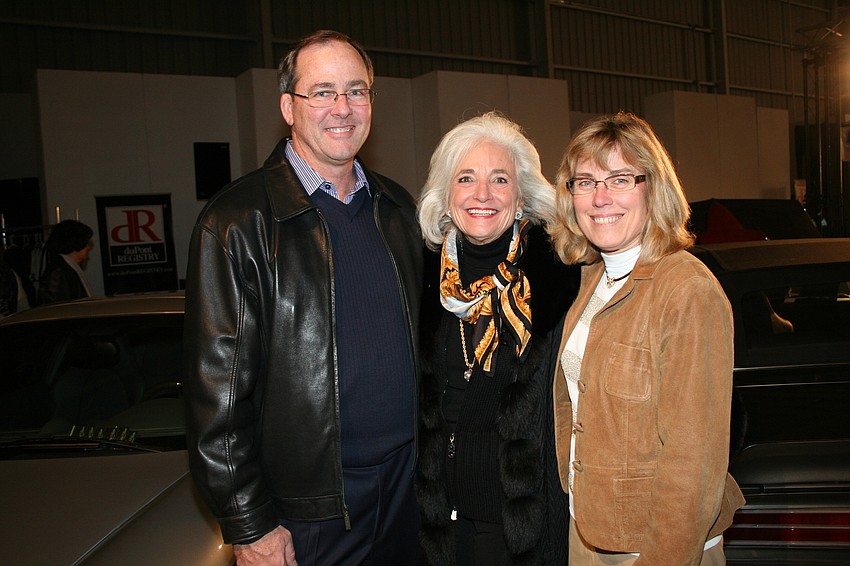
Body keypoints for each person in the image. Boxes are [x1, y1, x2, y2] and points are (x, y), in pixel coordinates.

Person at [184, 30, 423, 565]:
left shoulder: (398, 209)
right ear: (288, 107)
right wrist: (249, 527)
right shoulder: (236, 222)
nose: (342, 108)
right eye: (322, 92)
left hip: (410, 494)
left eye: (356, 91)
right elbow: (215, 401)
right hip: (308, 515)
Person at [547, 111, 745, 565]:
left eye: (620, 179)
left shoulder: (686, 290)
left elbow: (692, 463)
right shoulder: (589, 280)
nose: (600, 198)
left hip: (656, 546)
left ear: (653, 187)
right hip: (588, 530)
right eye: (585, 181)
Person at [415, 112, 579, 565]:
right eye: (465, 178)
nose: (482, 194)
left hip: (517, 527)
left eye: (499, 179)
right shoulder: (418, 278)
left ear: (522, 197)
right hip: (437, 522)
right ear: (446, 197)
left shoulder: (559, 281)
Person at [37, 219, 94, 305]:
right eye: (86, 243)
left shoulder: (67, 267)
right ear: (76, 242)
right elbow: (56, 308)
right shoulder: (59, 271)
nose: (88, 247)